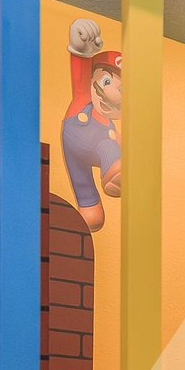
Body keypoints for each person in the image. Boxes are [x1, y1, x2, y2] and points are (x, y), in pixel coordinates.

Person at [60, 18, 123, 232]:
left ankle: (106, 183)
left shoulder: (111, 128)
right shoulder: (83, 100)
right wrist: (82, 51)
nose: (115, 93)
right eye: (107, 81)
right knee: (85, 179)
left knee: (110, 146)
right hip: (76, 144)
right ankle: (92, 202)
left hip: (99, 150)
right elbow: (80, 75)